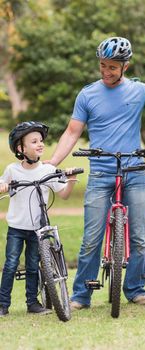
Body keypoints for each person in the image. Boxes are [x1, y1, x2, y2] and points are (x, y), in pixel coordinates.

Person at [48, 37, 145, 310]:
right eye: (102, 66)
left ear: (126, 66)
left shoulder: (142, 92)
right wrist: (52, 162)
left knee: (139, 236)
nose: (106, 72)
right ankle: (81, 295)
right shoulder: (87, 94)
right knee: (91, 238)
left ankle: (136, 289)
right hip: (100, 174)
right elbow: (72, 132)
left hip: (133, 170)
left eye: (112, 67)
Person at [0, 121, 78, 317]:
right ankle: (3, 304)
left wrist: (70, 181)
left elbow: (64, 195)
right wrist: (2, 186)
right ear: (21, 148)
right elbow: (2, 182)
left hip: (38, 228)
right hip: (17, 227)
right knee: (10, 264)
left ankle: (32, 303)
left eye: (41, 140)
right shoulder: (12, 170)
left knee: (34, 265)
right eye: (34, 141)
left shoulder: (48, 170)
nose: (40, 144)